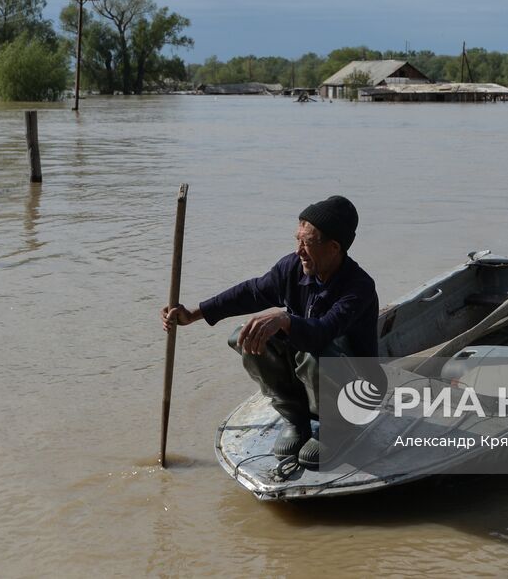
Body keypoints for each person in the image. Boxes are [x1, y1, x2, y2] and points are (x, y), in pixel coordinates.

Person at [160, 195, 378, 468]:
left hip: (356, 391)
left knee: (313, 353)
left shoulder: (358, 287)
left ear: (334, 247)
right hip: (315, 378)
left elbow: (323, 332)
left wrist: (285, 320)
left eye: (307, 243)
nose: (299, 250)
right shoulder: (293, 269)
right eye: (297, 240)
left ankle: (339, 429)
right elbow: (251, 292)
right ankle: (297, 419)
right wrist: (194, 314)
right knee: (248, 336)